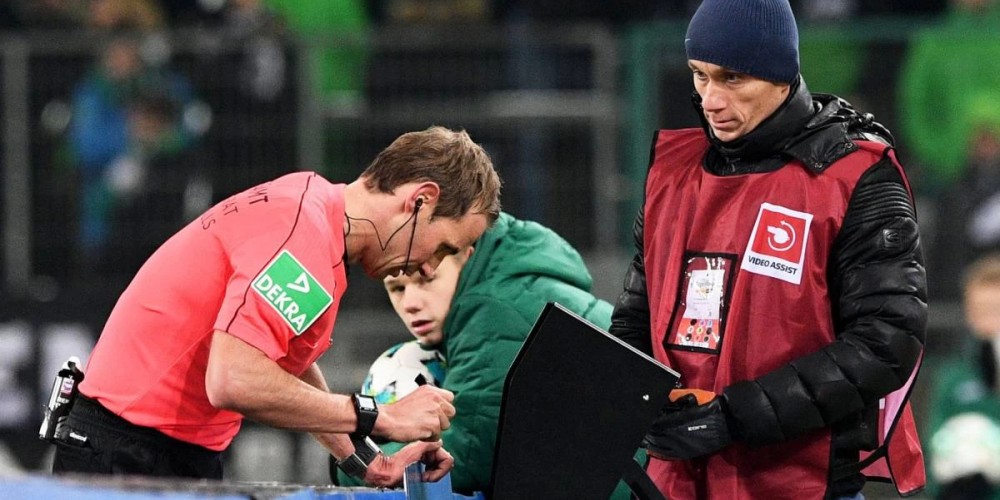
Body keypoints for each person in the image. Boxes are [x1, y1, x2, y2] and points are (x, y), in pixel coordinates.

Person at [50, 126, 502, 488]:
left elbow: (282, 361)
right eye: (443, 247)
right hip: (126, 454)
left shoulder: (313, 213)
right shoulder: (301, 233)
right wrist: (382, 416)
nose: (430, 267)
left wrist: (367, 462)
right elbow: (233, 380)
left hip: (155, 452)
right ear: (420, 200)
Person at [608, 0, 927, 498]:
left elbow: (887, 342)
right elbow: (634, 322)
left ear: (782, 78)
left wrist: (734, 417)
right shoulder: (669, 174)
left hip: (804, 485)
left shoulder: (856, 179)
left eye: (732, 78)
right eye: (700, 75)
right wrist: (637, 404)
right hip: (673, 485)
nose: (711, 99)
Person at [335, 212, 642, 498]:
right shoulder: (510, 276)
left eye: (426, 280)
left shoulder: (494, 308)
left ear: (466, 256)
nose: (411, 302)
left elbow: (470, 453)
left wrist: (351, 462)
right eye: (398, 288)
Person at [926, 253, 1000, 500]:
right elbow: (933, 442)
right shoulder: (953, 374)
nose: (988, 320)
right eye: (980, 310)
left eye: (996, 310)